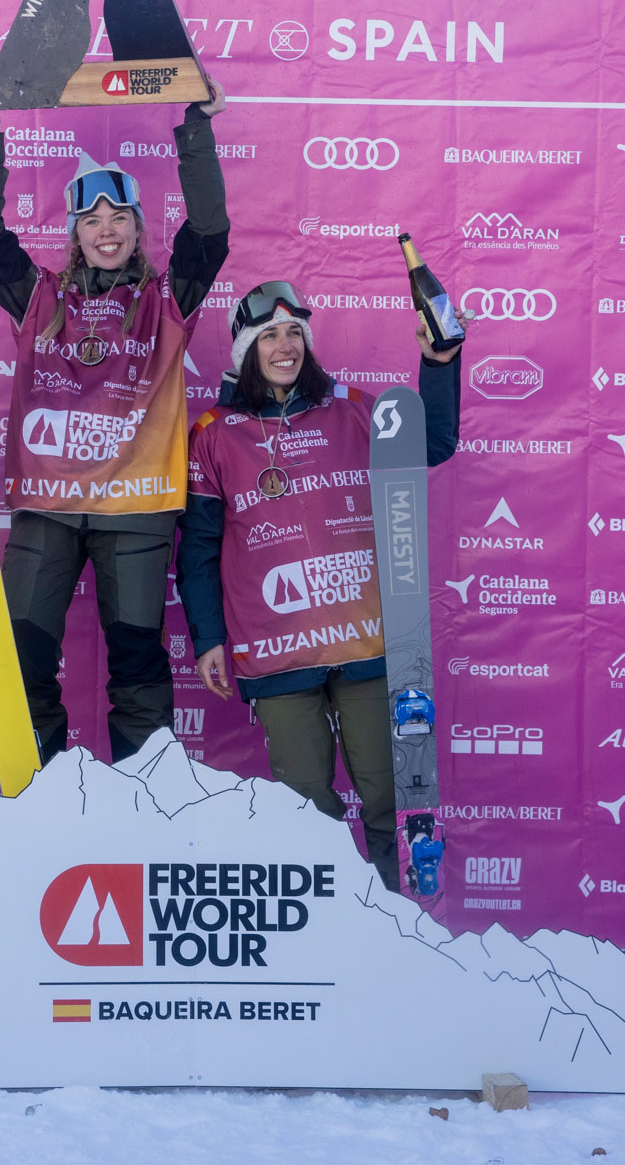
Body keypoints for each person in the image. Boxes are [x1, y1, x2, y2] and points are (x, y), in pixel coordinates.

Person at [0, 84, 229, 770]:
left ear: (140, 228)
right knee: (21, 661)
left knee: (137, 663)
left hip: (136, 509)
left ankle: (142, 806)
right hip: (47, 507)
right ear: (75, 232)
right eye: (92, 218)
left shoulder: (165, 301)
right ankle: (42, 804)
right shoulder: (40, 297)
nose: (106, 229)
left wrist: (195, 129)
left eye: (119, 217)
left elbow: (210, 237)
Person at [175, 282, 462, 886]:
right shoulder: (213, 432)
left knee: (390, 800)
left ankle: (405, 932)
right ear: (245, 350)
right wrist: (207, 638)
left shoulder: (354, 408)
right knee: (307, 811)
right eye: (270, 335)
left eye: (295, 333)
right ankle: (339, 945)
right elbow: (198, 547)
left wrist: (438, 363)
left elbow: (433, 442)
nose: (285, 346)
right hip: (275, 652)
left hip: (365, 642)